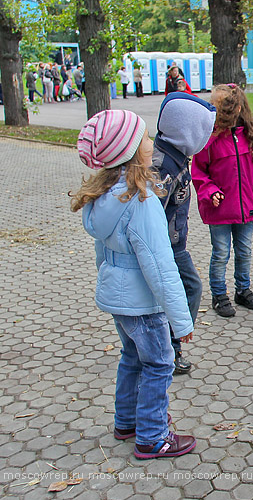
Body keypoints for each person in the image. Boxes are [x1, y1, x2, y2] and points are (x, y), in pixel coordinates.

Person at [70, 110, 196, 459]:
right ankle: (153, 436)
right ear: (128, 150)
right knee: (159, 363)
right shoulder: (141, 201)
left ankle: (126, 421)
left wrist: (108, 284)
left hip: (117, 298)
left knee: (131, 357)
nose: (150, 143)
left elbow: (102, 251)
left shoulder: (107, 195)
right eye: (143, 138)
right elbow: (160, 266)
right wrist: (181, 320)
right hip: (143, 303)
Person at [193, 84, 253, 318]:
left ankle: (243, 290)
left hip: (245, 208)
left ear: (238, 109)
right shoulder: (208, 140)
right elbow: (199, 173)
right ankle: (219, 295)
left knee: (244, 251)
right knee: (220, 253)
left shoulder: (250, 137)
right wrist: (210, 191)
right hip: (219, 209)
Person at [152, 91, 217, 374]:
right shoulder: (163, 168)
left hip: (173, 244)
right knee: (190, 287)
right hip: (165, 247)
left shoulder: (174, 156)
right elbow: (150, 217)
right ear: (188, 131)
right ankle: (170, 347)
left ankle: (164, 344)